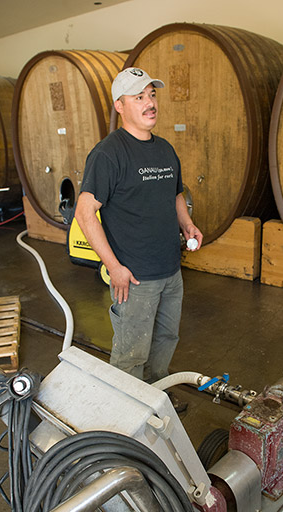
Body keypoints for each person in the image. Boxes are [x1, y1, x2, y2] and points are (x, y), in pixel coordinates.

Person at [75, 67, 202, 410]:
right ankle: (124, 412)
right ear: (120, 106)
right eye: (139, 97)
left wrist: (187, 224)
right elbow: (85, 213)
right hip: (134, 276)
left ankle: (155, 396)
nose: (150, 103)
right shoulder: (108, 153)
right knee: (131, 352)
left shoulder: (165, 149)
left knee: (165, 340)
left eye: (152, 95)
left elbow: (175, 193)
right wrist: (113, 266)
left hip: (170, 270)